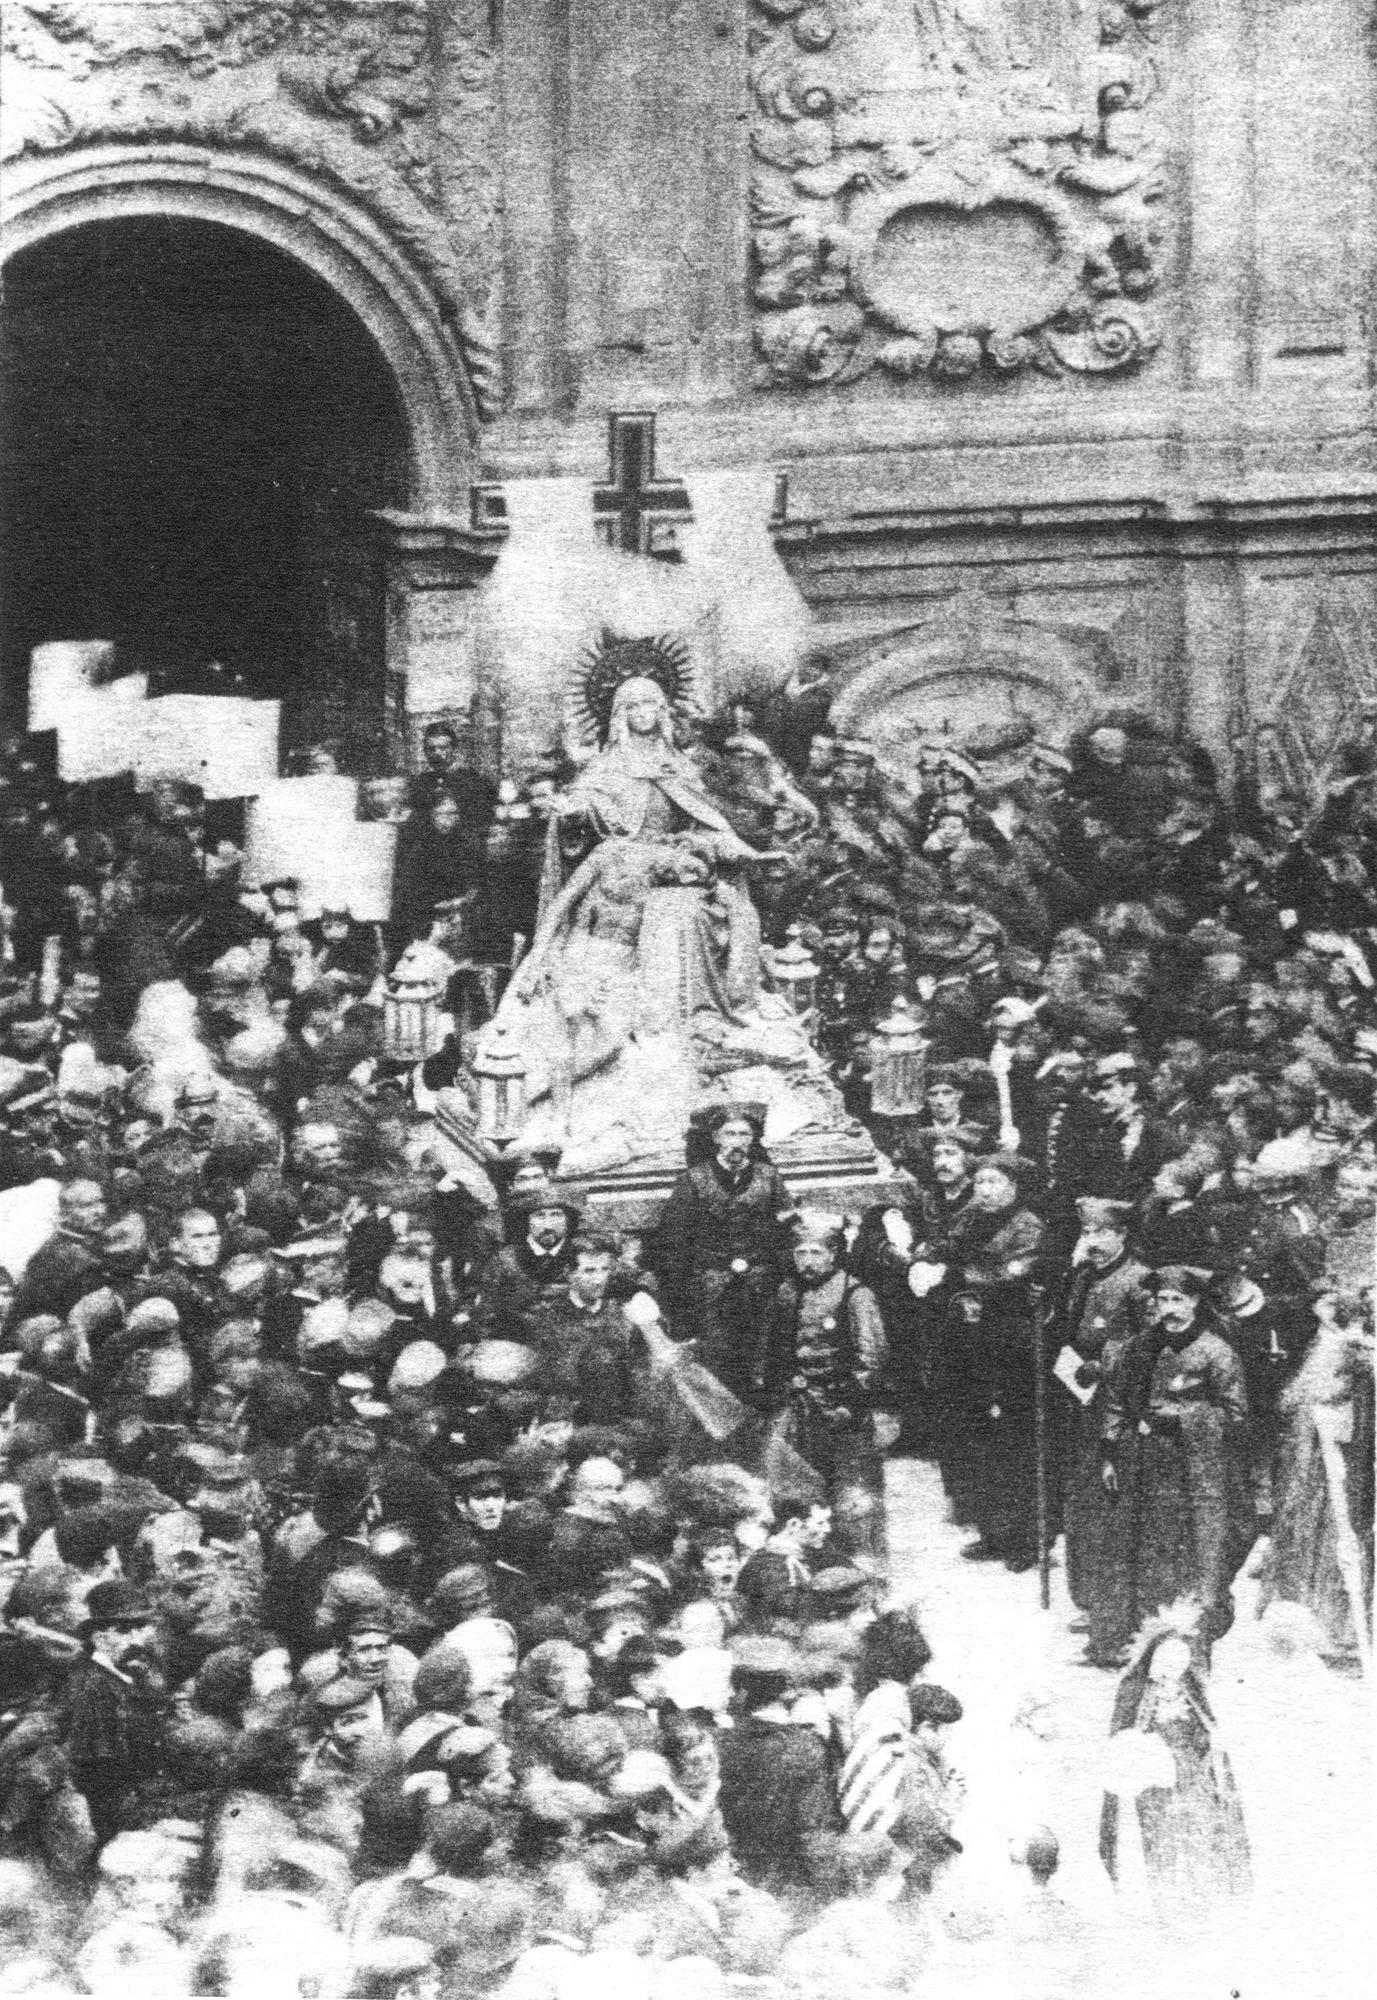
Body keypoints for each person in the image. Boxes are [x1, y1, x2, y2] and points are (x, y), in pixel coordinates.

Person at [1103, 1265, 1254, 1653]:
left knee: (1190, 1543)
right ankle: (1134, 1627)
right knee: (1138, 1541)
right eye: (1162, 1300)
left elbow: (1235, 1414)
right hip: (1142, 1459)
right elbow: (1118, 1400)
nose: (1169, 1309)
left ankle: (1189, 1626)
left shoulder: (1216, 1352)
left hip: (1193, 1465)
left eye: (1178, 1300)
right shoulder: (1139, 1346)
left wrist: (1184, 1416)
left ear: (1195, 1302)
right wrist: (1112, 1449)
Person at [1058, 1196, 1148, 1667]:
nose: (1090, 1241)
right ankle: (1089, 1598)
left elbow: (1150, 1343)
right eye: (1085, 1232)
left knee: (1109, 1506)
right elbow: (1070, 1330)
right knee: (1081, 1503)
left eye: (1099, 1233)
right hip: (1081, 1403)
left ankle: (1112, 1610)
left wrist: (1105, 1361)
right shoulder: (1084, 1276)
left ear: (1122, 1235)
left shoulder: (1138, 1282)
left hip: (1117, 1407)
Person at [654, 1105, 789, 1399]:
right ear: (716, 1137)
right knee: (715, 1352)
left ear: (753, 1139)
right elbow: (675, 1238)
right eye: (730, 1133)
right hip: (711, 1282)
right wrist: (682, 1288)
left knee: (758, 1349)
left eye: (744, 1134)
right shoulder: (694, 1179)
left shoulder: (769, 1177)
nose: (737, 1141)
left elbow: (785, 1228)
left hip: (758, 1280)